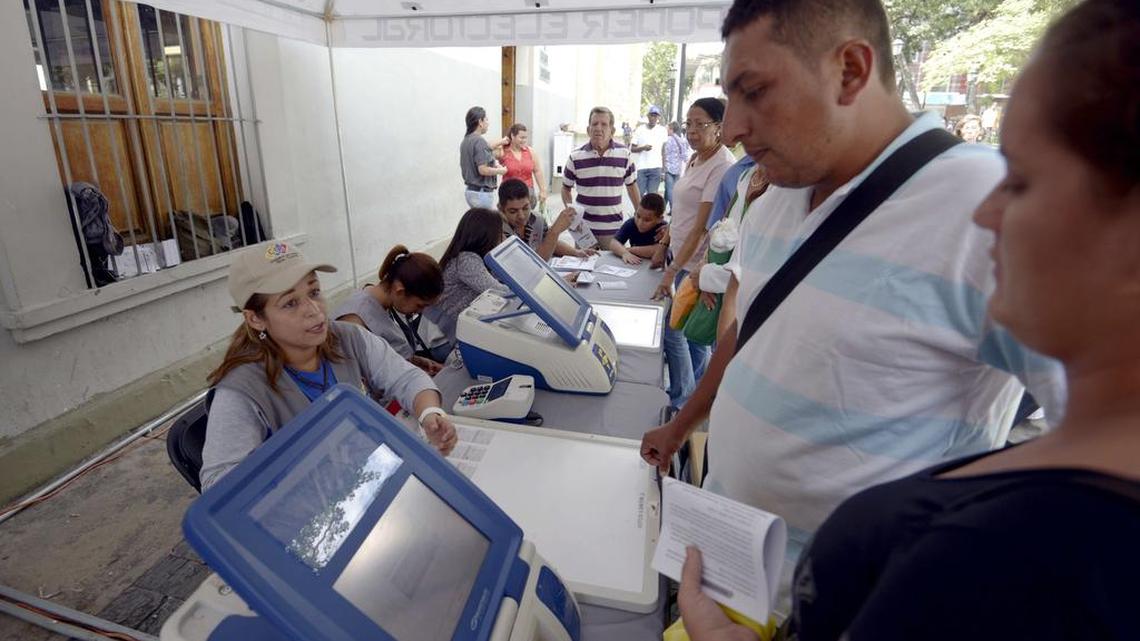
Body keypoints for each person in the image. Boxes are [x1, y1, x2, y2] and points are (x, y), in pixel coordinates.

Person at [678, 3, 1140, 640]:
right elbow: (753, 327)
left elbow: (1094, 432)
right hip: (730, 579)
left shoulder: (977, 203)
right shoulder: (778, 191)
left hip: (851, 608)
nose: (733, 129)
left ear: (850, 70)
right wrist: (686, 421)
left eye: (754, 92)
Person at [200, 243, 458, 490]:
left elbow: (405, 378)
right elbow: (221, 484)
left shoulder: (348, 338)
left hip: (370, 477)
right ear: (255, 318)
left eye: (313, 292)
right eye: (290, 303)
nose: (314, 310)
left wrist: (429, 415)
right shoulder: (242, 391)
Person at [654, 98, 736, 407]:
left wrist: (674, 272)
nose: (692, 131)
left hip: (697, 264)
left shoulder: (722, 166)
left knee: (675, 331)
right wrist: (665, 247)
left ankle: (681, 401)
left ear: (719, 127)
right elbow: (680, 214)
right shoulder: (694, 159)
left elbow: (702, 227)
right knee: (694, 335)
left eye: (700, 124)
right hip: (680, 256)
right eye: (688, 124)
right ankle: (695, 399)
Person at [334, 245, 450, 376]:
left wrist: (414, 361)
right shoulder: (354, 321)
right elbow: (361, 378)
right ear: (400, 291)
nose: (420, 312)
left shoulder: (382, 301)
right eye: (419, 305)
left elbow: (388, 351)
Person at [562, 106, 641, 244]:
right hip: (584, 231)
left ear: (612, 130)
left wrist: (639, 215)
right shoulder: (575, 157)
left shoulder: (624, 155)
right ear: (588, 130)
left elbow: (632, 186)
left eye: (604, 124)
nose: (598, 128)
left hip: (614, 231)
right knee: (583, 265)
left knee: (611, 265)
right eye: (594, 124)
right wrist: (573, 215)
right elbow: (565, 188)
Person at [427, 208, 504, 342]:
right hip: (442, 339)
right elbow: (498, 290)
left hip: (451, 330)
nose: (503, 238)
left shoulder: (469, 257)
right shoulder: (467, 260)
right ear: (486, 236)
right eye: (500, 233)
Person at [498, 178, 585, 261]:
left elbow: (549, 243)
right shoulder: (497, 229)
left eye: (525, 208)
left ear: (530, 202)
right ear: (501, 209)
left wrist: (576, 253)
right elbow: (529, 266)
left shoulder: (537, 219)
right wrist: (554, 231)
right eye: (513, 211)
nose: (521, 216)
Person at [461, 106, 509, 209]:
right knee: (485, 224)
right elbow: (483, 170)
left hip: (471, 191)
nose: (488, 123)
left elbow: (487, 148)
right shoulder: (479, 141)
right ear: (480, 122)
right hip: (481, 194)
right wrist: (501, 171)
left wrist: (501, 141)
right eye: (486, 120)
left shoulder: (466, 141)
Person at [609, 193, 668, 265]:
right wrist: (624, 253)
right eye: (638, 216)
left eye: (647, 220)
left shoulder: (663, 228)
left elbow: (658, 250)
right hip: (635, 265)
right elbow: (613, 243)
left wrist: (631, 250)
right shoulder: (631, 223)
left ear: (660, 219)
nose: (640, 223)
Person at [500, 123, 548, 209]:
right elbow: (487, 149)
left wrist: (543, 190)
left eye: (525, 138)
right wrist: (501, 141)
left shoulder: (530, 151)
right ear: (512, 136)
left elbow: (537, 171)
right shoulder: (503, 151)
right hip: (509, 195)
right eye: (521, 137)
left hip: (527, 194)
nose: (524, 140)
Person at [631, 105, 669, 199]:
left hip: (656, 167)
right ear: (648, 116)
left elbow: (663, 151)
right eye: (652, 115)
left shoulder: (662, 130)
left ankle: (649, 214)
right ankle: (638, 213)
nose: (654, 118)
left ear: (658, 117)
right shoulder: (640, 129)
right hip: (642, 167)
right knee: (639, 195)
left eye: (656, 116)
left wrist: (664, 170)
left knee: (651, 196)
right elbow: (632, 148)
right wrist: (643, 148)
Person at [662, 121, 691, 212]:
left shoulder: (668, 140)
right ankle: (662, 209)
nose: (666, 130)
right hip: (678, 168)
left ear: (671, 129)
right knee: (669, 189)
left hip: (669, 168)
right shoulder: (680, 140)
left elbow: (664, 154)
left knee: (670, 190)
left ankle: (674, 209)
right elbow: (684, 155)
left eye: (668, 128)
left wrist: (663, 168)